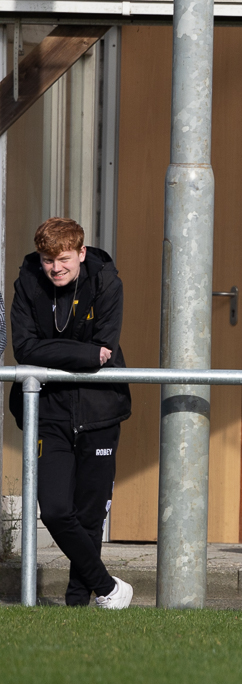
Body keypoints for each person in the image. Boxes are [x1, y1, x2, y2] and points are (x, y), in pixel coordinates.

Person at [9, 218, 132, 608]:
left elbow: (106, 346)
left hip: (100, 409)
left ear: (80, 253)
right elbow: (24, 349)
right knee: (57, 510)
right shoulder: (28, 280)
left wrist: (60, 350)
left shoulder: (106, 281)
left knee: (90, 514)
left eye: (63, 259)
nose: (55, 268)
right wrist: (84, 354)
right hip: (48, 410)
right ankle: (111, 588)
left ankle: (78, 603)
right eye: (47, 260)